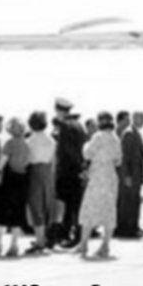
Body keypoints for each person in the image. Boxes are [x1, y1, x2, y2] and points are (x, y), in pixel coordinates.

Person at [77, 112, 122, 259]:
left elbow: (87, 153)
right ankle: (105, 245)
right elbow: (118, 160)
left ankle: (84, 244)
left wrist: (85, 144)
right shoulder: (115, 138)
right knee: (109, 211)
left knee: (89, 208)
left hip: (97, 176)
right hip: (111, 176)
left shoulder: (97, 136)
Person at [0, 117, 30, 259]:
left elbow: (2, 162)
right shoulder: (26, 144)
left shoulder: (9, 143)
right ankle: (14, 246)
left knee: (1, 215)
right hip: (22, 181)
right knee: (17, 215)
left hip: (8, 181)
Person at [53, 99, 86, 248]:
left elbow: (67, 150)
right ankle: (68, 235)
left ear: (59, 111)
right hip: (76, 170)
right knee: (73, 205)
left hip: (67, 170)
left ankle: (69, 235)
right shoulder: (79, 125)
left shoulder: (65, 126)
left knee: (65, 204)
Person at [25, 110, 56, 253]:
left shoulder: (29, 141)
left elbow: (27, 159)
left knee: (36, 206)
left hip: (34, 171)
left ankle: (40, 241)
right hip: (48, 172)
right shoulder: (51, 140)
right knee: (46, 205)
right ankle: (43, 238)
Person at [115, 111, 143, 239]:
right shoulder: (129, 134)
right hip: (130, 176)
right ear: (134, 119)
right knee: (127, 203)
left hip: (136, 175)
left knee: (133, 202)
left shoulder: (135, 133)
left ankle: (132, 227)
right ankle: (125, 229)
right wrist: (126, 175)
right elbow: (124, 156)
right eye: (140, 118)